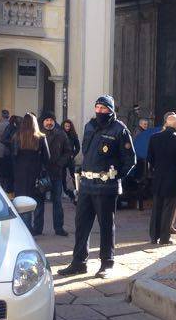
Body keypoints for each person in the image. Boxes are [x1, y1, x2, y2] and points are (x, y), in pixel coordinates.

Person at [58, 95, 136, 279]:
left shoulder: (120, 129)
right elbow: (86, 152)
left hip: (106, 186)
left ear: (111, 110)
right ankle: (78, 263)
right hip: (86, 185)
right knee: (81, 225)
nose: (100, 111)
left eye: (103, 108)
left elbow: (130, 159)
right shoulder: (90, 126)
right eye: (97, 108)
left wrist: (116, 177)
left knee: (106, 226)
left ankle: (106, 264)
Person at [146, 113, 176, 245]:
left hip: (158, 178)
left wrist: (156, 170)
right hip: (174, 179)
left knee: (156, 208)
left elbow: (150, 159)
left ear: (166, 124)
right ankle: (165, 238)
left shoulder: (154, 138)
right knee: (168, 210)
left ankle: (154, 237)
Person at [7, 113, 49, 230]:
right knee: (38, 200)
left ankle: (25, 227)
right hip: (36, 173)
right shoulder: (40, 137)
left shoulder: (17, 136)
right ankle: (37, 227)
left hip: (20, 174)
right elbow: (47, 158)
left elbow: (13, 157)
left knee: (22, 202)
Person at [34, 112, 70, 237]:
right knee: (39, 202)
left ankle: (59, 228)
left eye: (51, 120)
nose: (49, 122)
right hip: (42, 173)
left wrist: (60, 163)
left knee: (57, 202)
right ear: (42, 122)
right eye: (46, 120)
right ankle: (37, 228)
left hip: (56, 173)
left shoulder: (61, 134)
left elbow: (67, 152)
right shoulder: (37, 134)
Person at [62, 119, 80, 202]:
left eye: (69, 126)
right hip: (62, 158)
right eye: (66, 126)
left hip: (70, 158)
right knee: (63, 176)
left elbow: (78, 147)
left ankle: (77, 191)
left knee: (73, 175)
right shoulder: (60, 134)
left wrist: (73, 155)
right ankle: (65, 191)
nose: (67, 128)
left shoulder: (73, 135)